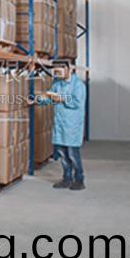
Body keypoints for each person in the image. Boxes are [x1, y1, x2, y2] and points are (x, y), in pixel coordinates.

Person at [35, 61, 87, 190]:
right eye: (56, 72)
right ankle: (67, 178)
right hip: (60, 124)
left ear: (68, 69)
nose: (57, 74)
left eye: (59, 71)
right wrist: (37, 99)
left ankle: (79, 179)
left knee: (72, 154)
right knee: (63, 155)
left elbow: (77, 102)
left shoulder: (78, 85)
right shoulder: (57, 84)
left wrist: (62, 99)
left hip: (72, 125)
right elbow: (49, 98)